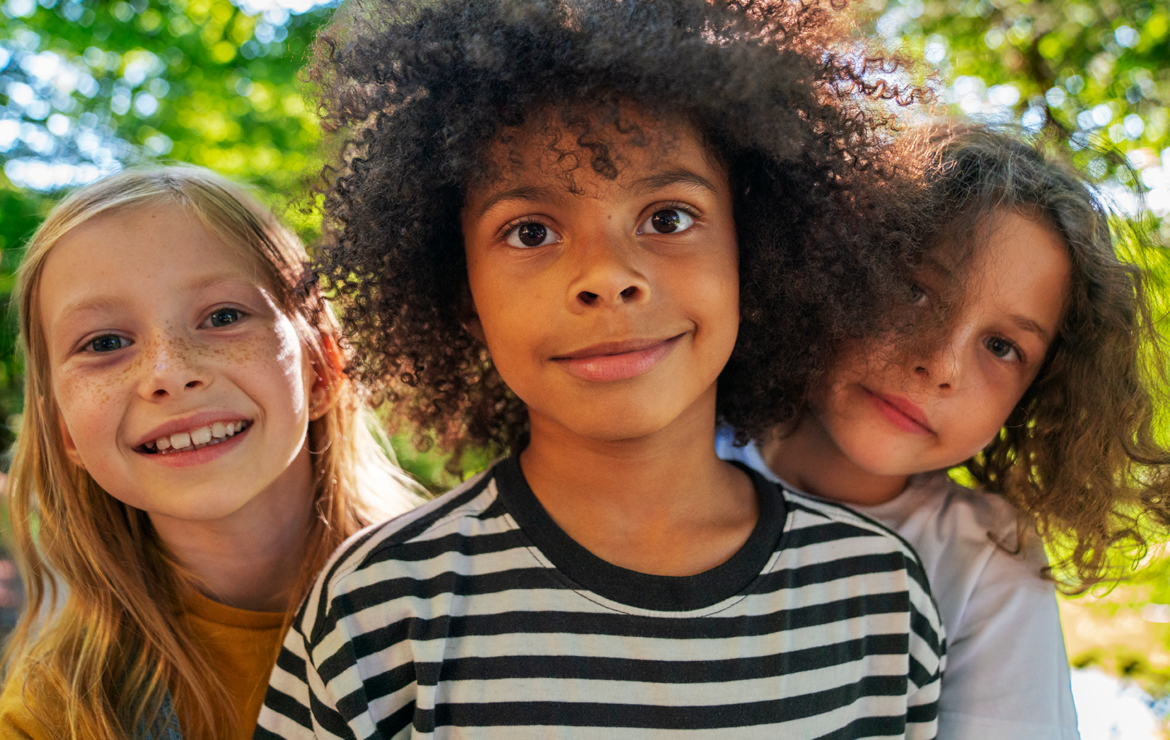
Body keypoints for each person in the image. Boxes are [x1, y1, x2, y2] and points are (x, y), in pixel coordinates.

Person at [257, 0, 947, 737]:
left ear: (758, 252)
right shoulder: (381, 607)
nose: (608, 276)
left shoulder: (877, 594)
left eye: (669, 217)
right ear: (462, 293)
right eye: (531, 231)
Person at [719, 125, 1170, 739]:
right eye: (914, 291)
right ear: (829, 271)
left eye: (1002, 346)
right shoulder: (685, 442)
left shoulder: (987, 557)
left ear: (1038, 394)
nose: (942, 365)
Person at [0, 168, 422, 740]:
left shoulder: (480, 602)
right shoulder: (54, 715)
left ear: (321, 368)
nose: (169, 374)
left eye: (223, 317)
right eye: (104, 343)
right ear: (66, 432)